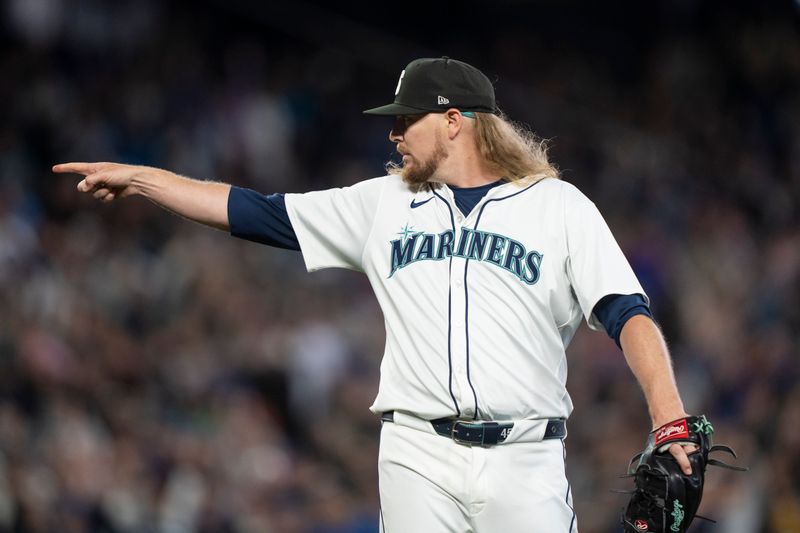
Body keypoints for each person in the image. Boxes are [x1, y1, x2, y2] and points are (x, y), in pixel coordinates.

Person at [54, 56, 696, 533]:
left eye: (406, 120)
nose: (394, 134)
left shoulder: (558, 207)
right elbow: (251, 211)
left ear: (454, 122)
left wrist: (668, 419)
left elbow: (626, 312)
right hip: (418, 453)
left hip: (526, 459)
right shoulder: (383, 203)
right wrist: (144, 179)